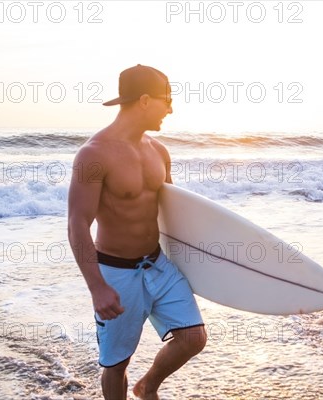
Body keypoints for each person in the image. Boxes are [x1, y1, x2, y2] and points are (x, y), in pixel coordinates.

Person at [68, 64, 207, 400]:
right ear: (145, 100)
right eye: (167, 99)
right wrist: (97, 287)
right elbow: (77, 224)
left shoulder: (158, 150)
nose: (171, 108)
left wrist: (205, 263)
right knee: (116, 366)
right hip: (116, 272)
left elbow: (173, 213)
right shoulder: (94, 155)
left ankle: (148, 387)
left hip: (159, 264)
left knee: (194, 338)